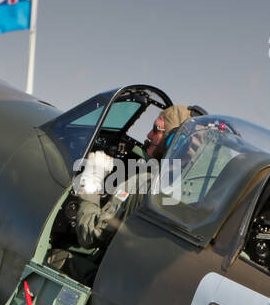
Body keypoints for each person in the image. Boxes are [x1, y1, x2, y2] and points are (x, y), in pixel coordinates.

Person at [71, 104, 192, 251]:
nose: (148, 135)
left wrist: (91, 182)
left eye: (156, 129)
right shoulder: (188, 189)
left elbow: (90, 235)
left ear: (172, 140)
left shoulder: (145, 183)